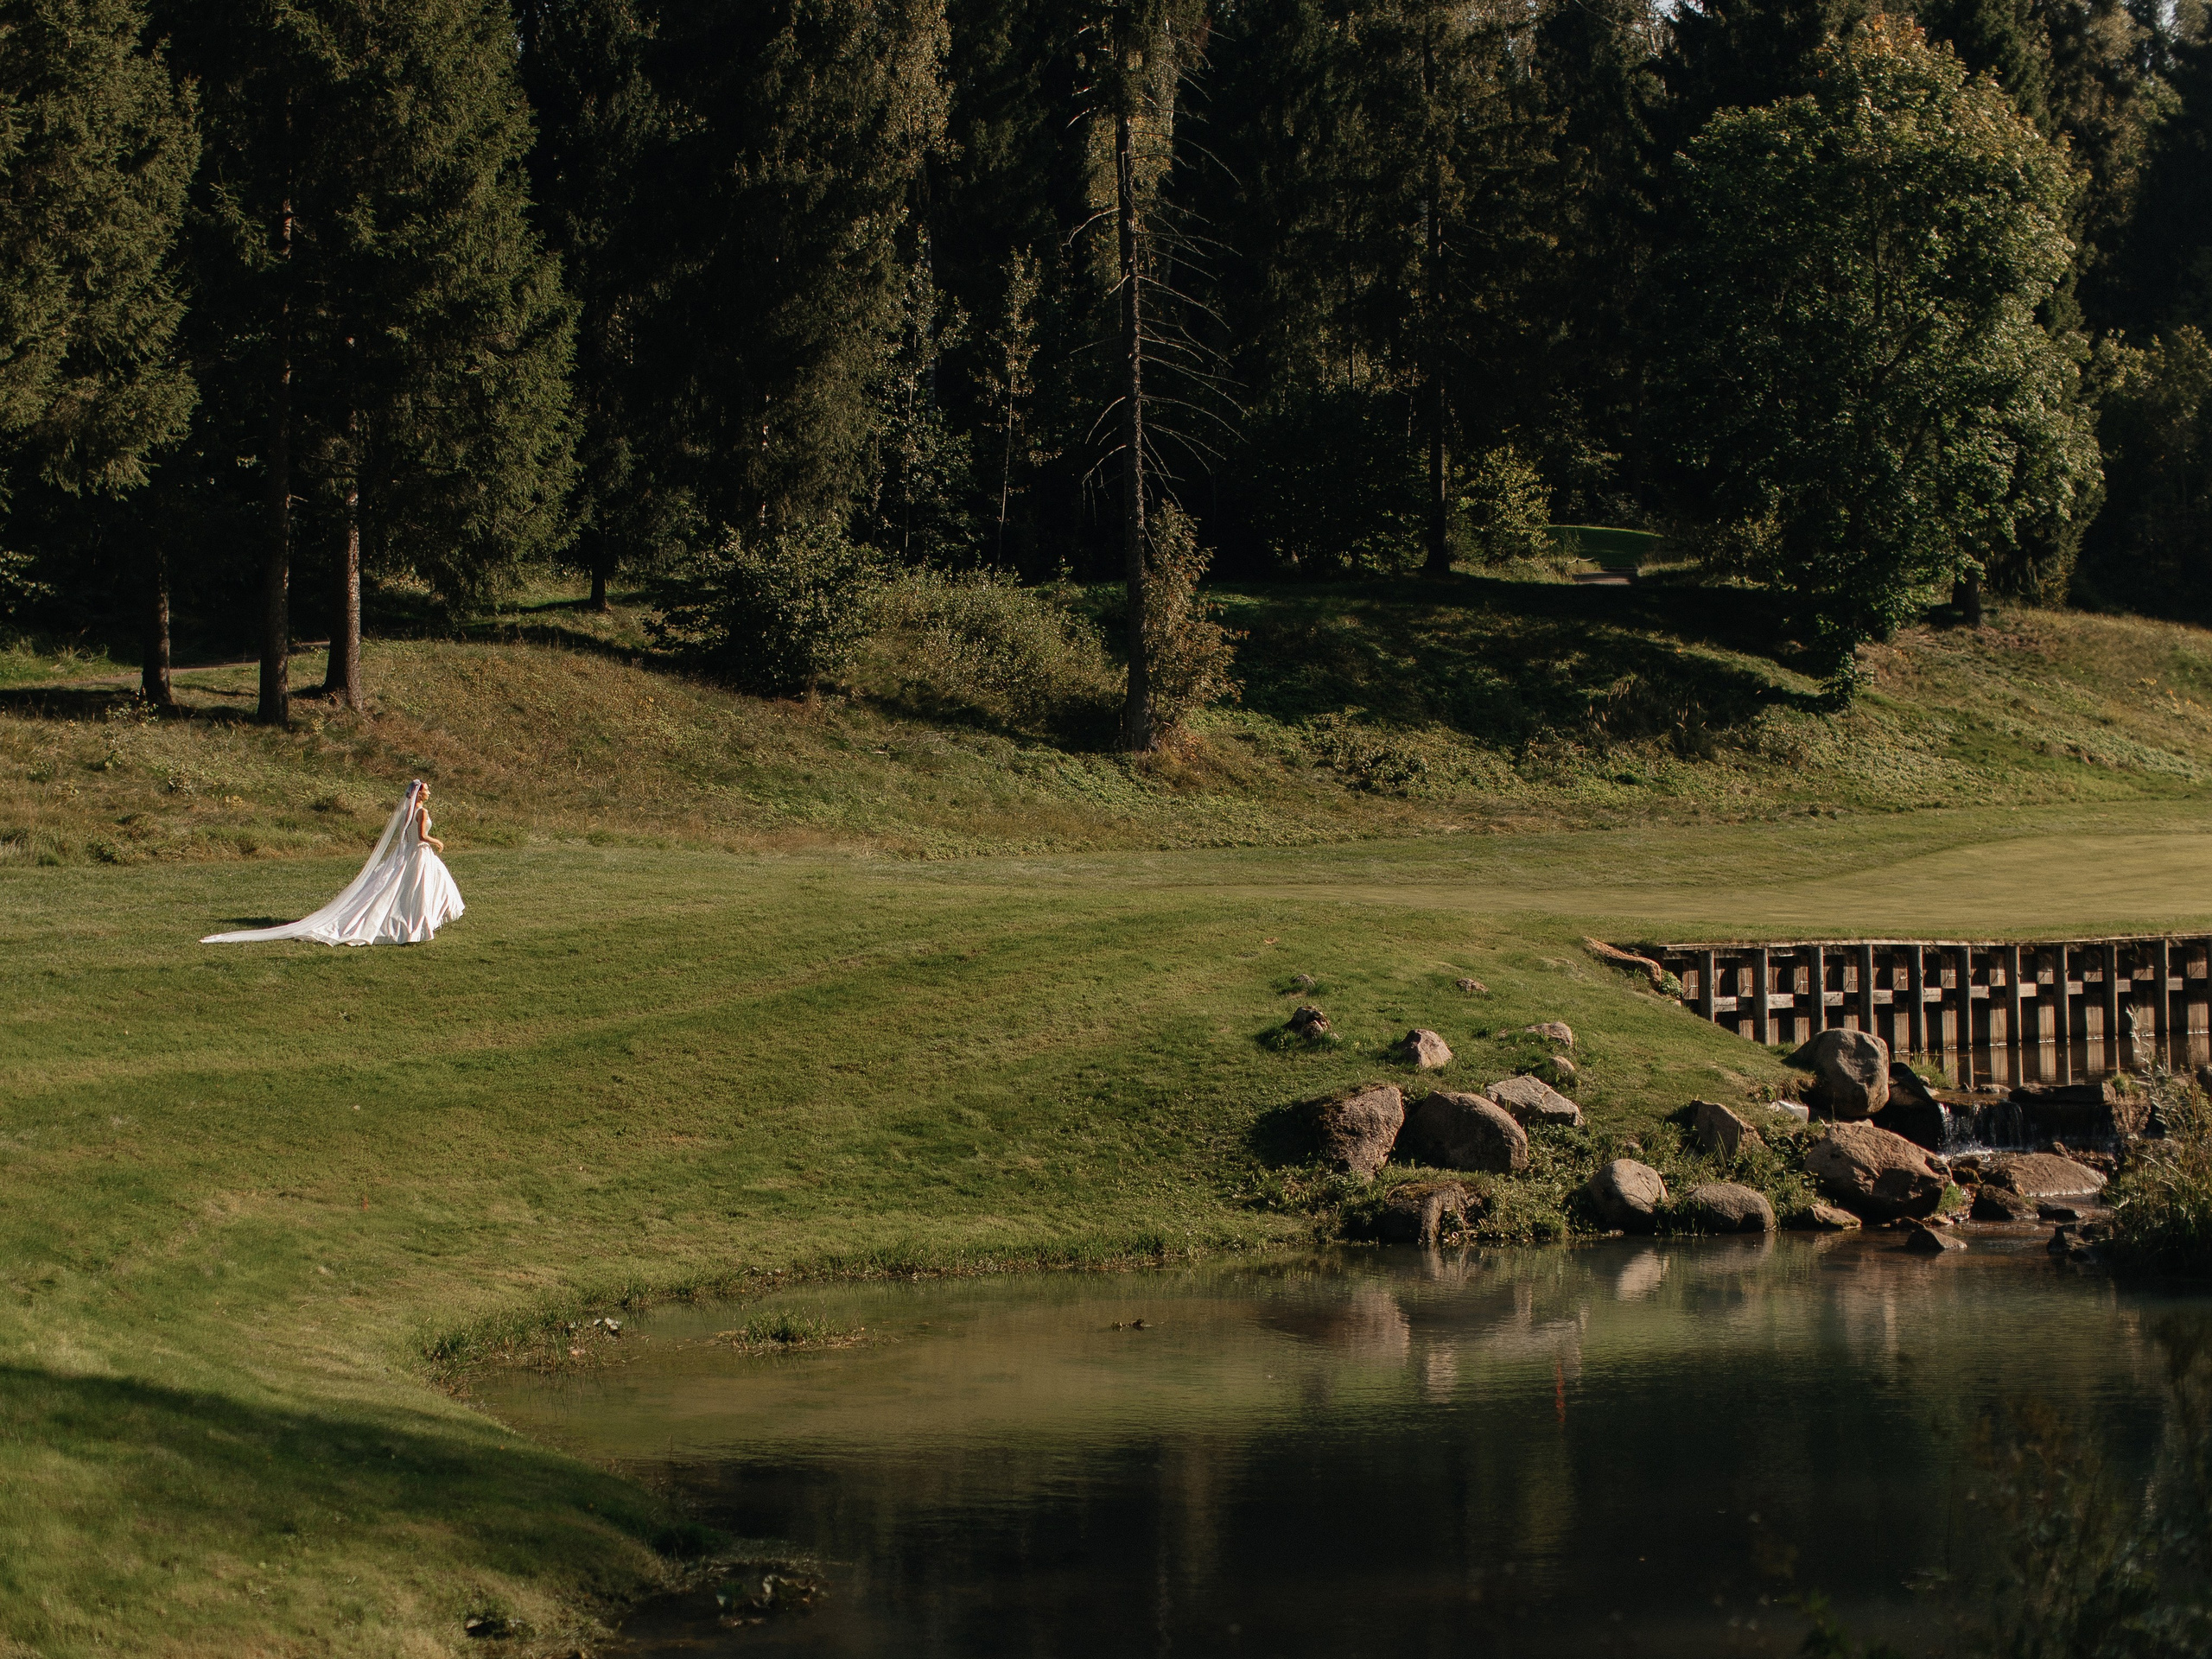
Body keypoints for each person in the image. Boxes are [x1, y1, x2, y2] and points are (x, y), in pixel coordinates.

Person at [201, 779, 465, 945]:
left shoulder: (407, 811)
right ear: (419, 795)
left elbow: (404, 836)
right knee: (421, 888)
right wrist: (437, 842)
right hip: (418, 853)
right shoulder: (421, 811)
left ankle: (418, 923)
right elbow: (420, 836)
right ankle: (417, 925)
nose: (429, 794)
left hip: (407, 853)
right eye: (427, 791)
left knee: (413, 887)